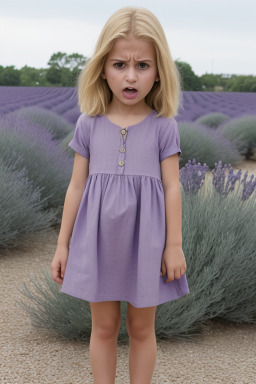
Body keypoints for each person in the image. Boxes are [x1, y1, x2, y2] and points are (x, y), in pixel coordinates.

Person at [51, 5, 190, 383]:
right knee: (104, 327)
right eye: (119, 65)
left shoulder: (164, 127)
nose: (131, 76)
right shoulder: (88, 124)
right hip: (98, 242)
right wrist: (63, 244)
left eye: (142, 65)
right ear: (102, 67)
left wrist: (173, 245)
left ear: (159, 69)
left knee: (142, 329)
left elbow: (171, 187)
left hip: (147, 242)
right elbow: (76, 186)